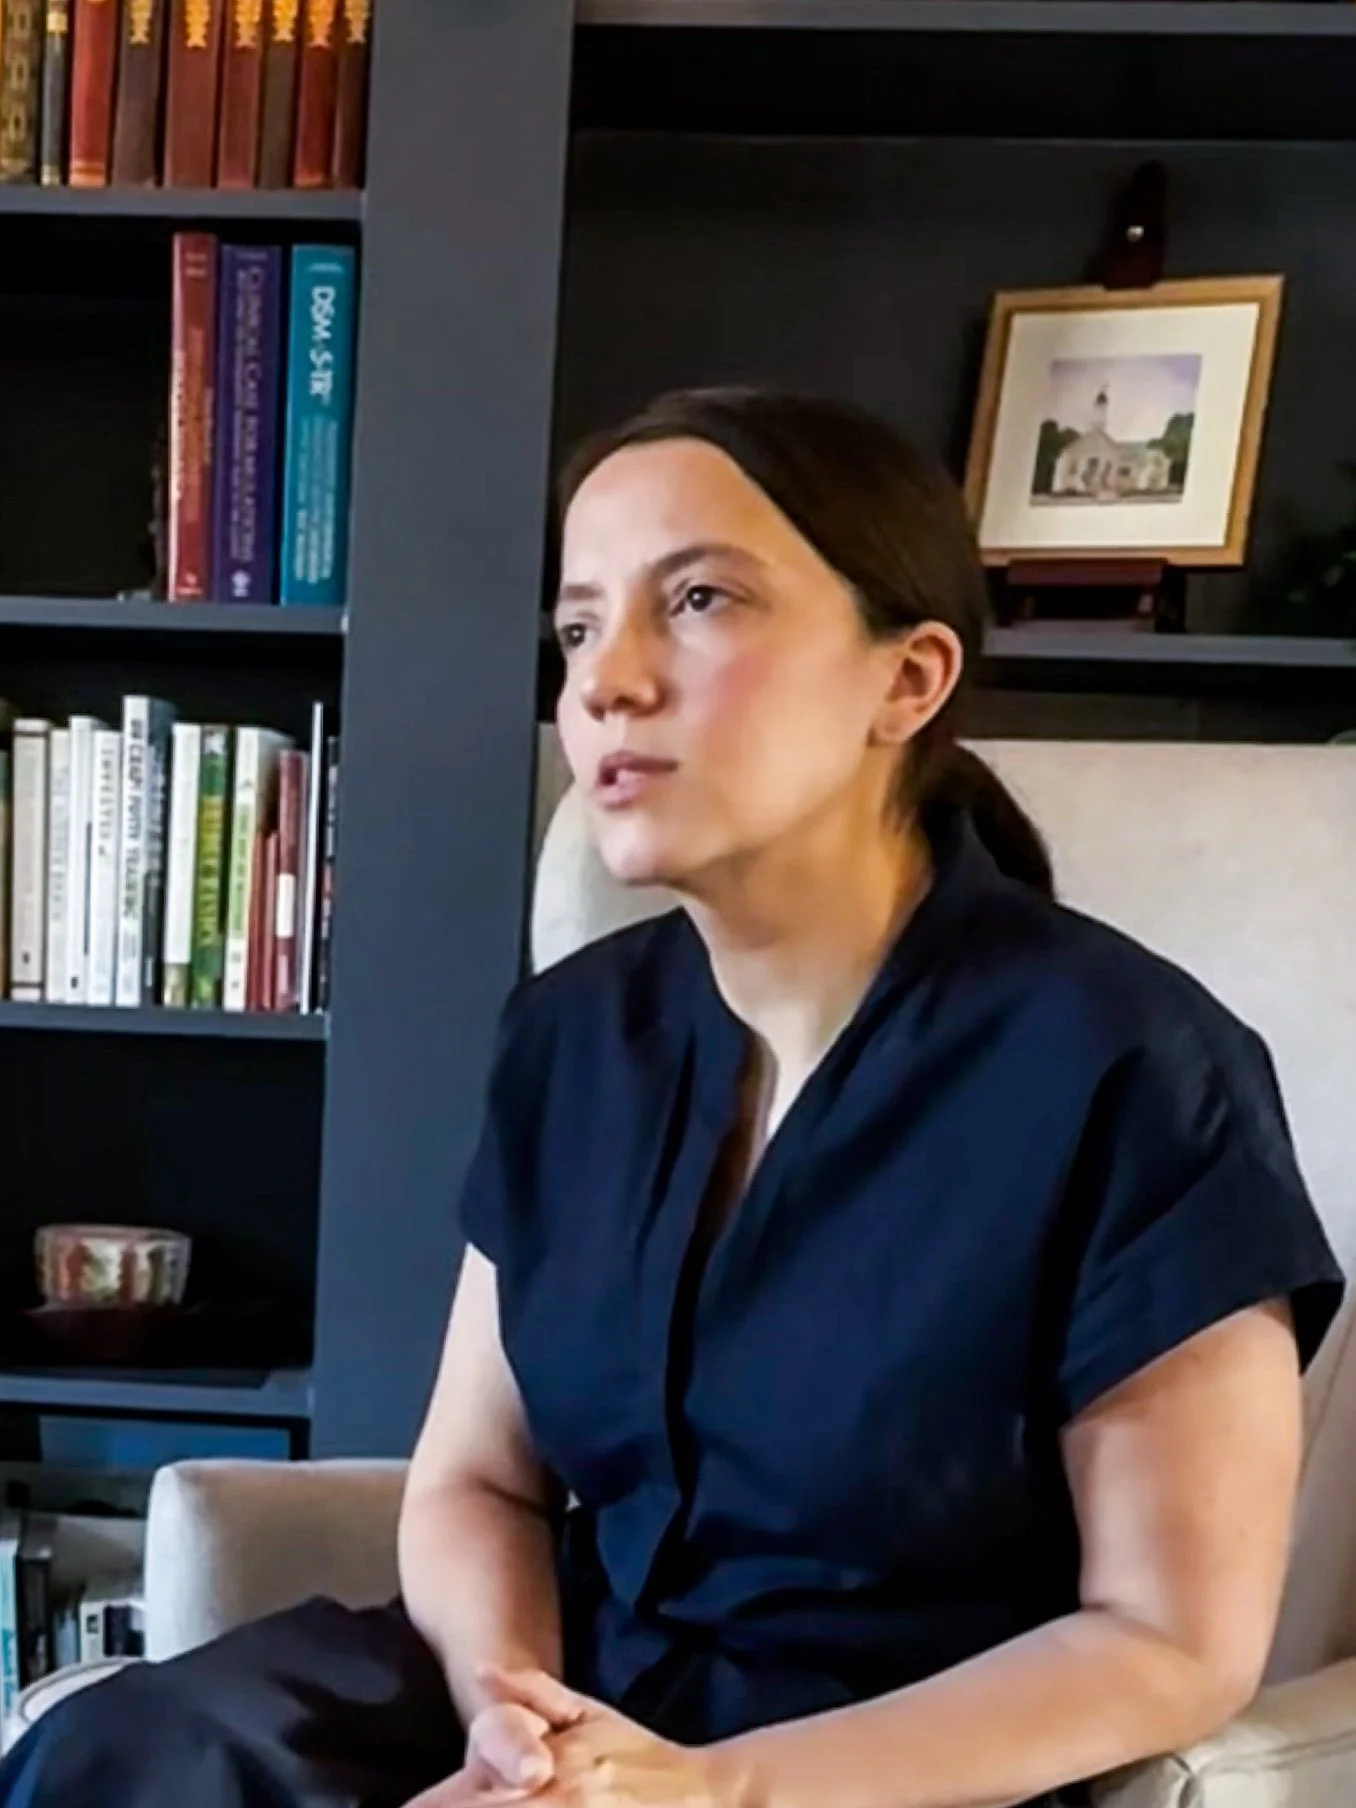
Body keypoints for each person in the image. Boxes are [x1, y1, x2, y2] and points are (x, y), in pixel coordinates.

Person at [0, 387, 1343, 1808]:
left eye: (697, 600)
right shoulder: (572, 1037)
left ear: (910, 678)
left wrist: (713, 1792)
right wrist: (515, 1727)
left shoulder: (1135, 1070)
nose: (605, 681)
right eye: (579, 626)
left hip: (884, 1761)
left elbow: (1170, 1641)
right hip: (573, 1695)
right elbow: (478, 1484)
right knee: (128, 1757)